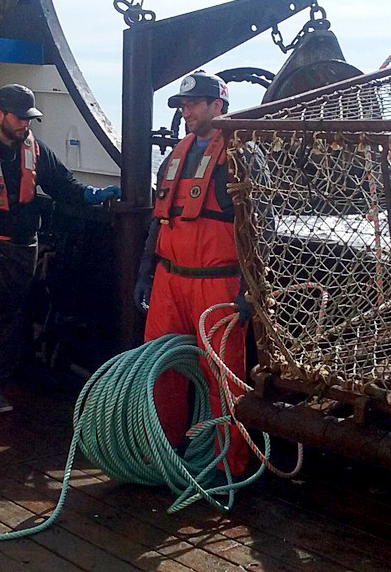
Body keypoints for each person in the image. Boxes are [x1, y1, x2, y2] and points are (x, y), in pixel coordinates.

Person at [0, 83, 119, 413]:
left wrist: (90, 195)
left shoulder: (36, 151)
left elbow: (64, 185)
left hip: (22, 248)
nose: (26, 125)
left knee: (9, 318)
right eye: (20, 118)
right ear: (0, 115)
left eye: (29, 119)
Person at [134, 71, 250, 478]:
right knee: (159, 370)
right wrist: (146, 272)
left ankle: (228, 467)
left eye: (193, 104)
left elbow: (260, 228)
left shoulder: (240, 156)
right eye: (183, 106)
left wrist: (251, 291)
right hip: (169, 281)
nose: (185, 111)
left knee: (223, 377)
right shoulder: (176, 153)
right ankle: (161, 454)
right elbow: (160, 216)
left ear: (218, 106)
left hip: (217, 283)